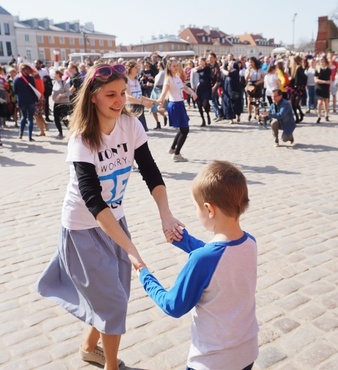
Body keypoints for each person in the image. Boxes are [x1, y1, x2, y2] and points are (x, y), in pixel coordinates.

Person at [36, 63, 184, 370]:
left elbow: (151, 171)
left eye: (123, 93)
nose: (119, 101)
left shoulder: (130, 125)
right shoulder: (82, 138)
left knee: (116, 296)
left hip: (115, 223)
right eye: (110, 95)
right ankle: (112, 366)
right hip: (82, 229)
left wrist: (165, 215)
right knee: (114, 301)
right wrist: (132, 250)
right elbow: (92, 200)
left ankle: (90, 347)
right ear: (93, 97)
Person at [139, 160, 258, 370]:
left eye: (195, 207)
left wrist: (145, 275)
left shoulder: (202, 259)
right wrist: (184, 240)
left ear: (209, 209)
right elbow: (220, 256)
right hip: (246, 353)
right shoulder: (250, 243)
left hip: (211, 361)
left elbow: (173, 306)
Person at [158, 59, 197, 162]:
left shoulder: (177, 77)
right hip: (175, 105)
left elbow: (184, 88)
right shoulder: (169, 79)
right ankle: (177, 154)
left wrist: (192, 93)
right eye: (174, 66)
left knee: (182, 128)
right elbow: (163, 93)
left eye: (177, 65)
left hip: (180, 104)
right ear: (169, 67)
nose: (176, 67)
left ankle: (172, 148)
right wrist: (160, 102)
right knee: (185, 130)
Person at [13, 63, 39, 141]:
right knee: (30, 118)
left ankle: (21, 134)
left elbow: (15, 91)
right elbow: (34, 89)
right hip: (31, 100)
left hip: (22, 100)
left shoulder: (17, 79)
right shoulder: (31, 79)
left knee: (23, 116)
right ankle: (30, 136)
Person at [51, 69, 71, 139]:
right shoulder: (54, 82)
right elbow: (54, 91)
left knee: (65, 119)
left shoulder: (64, 83)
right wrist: (52, 95)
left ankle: (71, 132)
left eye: (54, 74)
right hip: (56, 103)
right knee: (56, 119)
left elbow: (68, 93)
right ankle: (60, 132)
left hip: (63, 103)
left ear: (58, 75)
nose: (53, 75)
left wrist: (60, 95)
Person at [245, 57, 265, 121]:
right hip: (250, 84)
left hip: (258, 84)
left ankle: (256, 114)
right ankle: (249, 114)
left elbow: (263, 78)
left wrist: (259, 82)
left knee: (257, 101)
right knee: (249, 100)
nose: (250, 63)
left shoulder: (259, 69)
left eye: (251, 62)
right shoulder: (248, 69)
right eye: (249, 62)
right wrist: (249, 71)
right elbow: (246, 79)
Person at [315, 56, 332, 123]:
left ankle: (326, 115)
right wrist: (325, 82)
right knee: (319, 102)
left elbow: (330, 79)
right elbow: (316, 80)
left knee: (326, 102)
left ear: (325, 60)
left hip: (326, 87)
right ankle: (319, 116)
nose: (321, 61)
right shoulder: (317, 69)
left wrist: (330, 85)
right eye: (320, 60)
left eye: (322, 59)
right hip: (319, 87)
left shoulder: (328, 69)